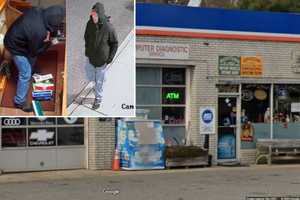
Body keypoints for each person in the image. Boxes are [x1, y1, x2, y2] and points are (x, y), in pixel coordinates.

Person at [4, 5, 64, 112]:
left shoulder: (38, 10)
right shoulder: (38, 31)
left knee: (31, 58)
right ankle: (19, 102)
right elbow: (35, 51)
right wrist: (49, 43)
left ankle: (31, 69)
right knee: (25, 73)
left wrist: (53, 35)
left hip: (19, 37)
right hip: (14, 47)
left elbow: (49, 29)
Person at [84, 2, 118, 110]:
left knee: (99, 81)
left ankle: (98, 99)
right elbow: (86, 36)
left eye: (95, 14)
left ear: (100, 14)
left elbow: (115, 43)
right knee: (90, 75)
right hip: (90, 57)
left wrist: (110, 58)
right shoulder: (89, 24)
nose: (92, 15)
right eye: (92, 13)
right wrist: (87, 48)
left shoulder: (108, 27)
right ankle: (100, 82)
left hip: (102, 60)